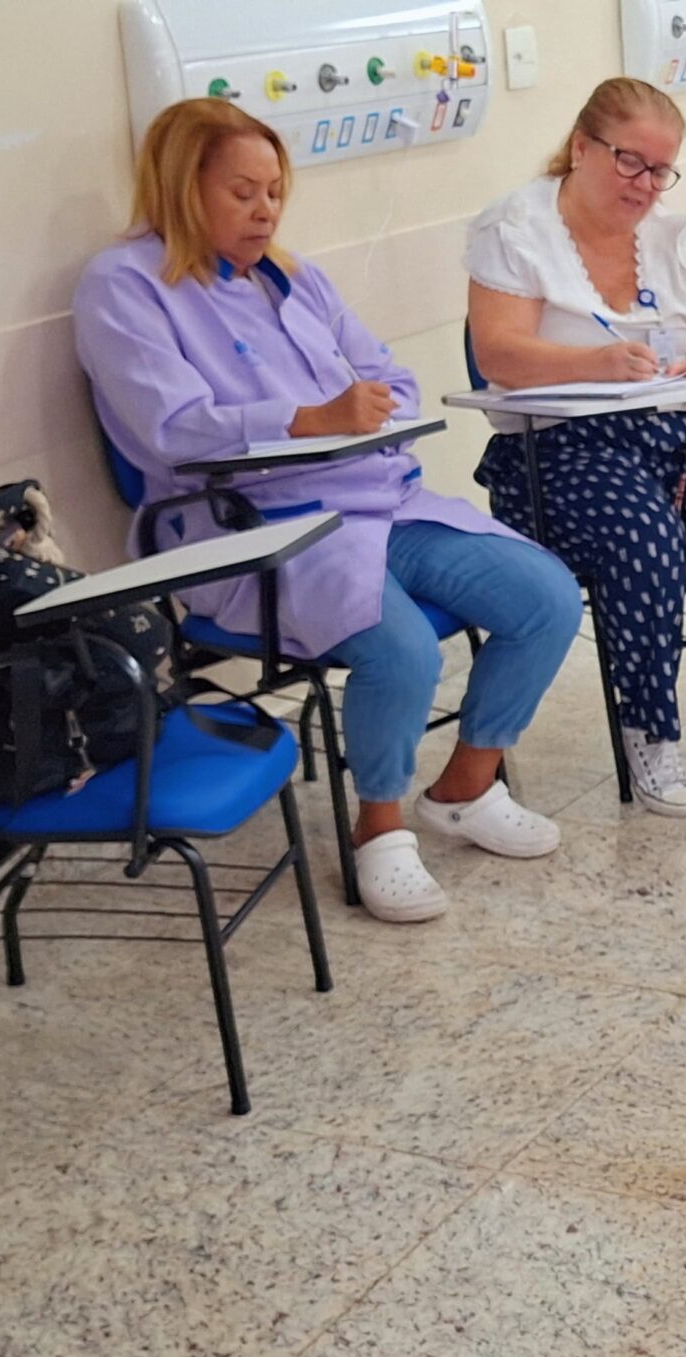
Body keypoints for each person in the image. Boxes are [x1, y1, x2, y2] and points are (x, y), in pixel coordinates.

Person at [76, 98, 581, 924]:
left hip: (375, 496)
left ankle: (464, 785)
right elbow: (168, 429)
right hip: (250, 528)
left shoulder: (293, 277)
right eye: (242, 192)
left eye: (274, 191)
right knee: (403, 651)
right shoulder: (124, 285)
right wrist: (308, 418)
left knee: (546, 596)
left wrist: (368, 408)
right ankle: (378, 829)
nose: (266, 210)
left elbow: (388, 375)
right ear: (179, 186)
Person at [466, 76, 686, 819]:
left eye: (661, 170)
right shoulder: (516, 228)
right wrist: (595, 360)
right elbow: (498, 354)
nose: (647, 185)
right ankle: (651, 729)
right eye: (630, 163)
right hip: (559, 448)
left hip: (672, 434)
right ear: (582, 147)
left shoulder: (673, 238)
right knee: (643, 537)